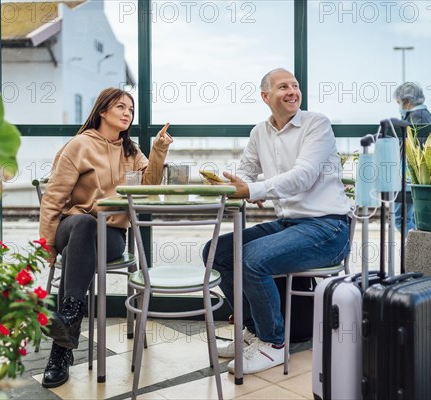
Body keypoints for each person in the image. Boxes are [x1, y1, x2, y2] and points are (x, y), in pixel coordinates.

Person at [202, 68, 351, 374]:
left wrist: (254, 189)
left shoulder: (316, 124)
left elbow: (304, 175)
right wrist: (232, 184)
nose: (292, 91)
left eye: (295, 86)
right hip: (290, 224)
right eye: (283, 86)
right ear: (265, 96)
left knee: (252, 258)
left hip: (328, 227)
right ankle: (253, 332)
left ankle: (273, 344)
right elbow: (245, 169)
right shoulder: (260, 132)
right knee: (217, 251)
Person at [38, 88, 173, 388]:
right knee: (84, 223)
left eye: (131, 110)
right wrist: (47, 246)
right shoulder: (78, 146)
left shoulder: (131, 151)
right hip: (72, 227)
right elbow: (53, 199)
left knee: (88, 233)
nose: (127, 113)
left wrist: (158, 151)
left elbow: (149, 187)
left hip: (111, 234)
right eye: (120, 107)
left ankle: (63, 339)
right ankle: (71, 321)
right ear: (102, 111)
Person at [393, 82, 431, 233]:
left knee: (400, 219)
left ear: (408, 101)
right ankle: (418, 248)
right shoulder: (425, 115)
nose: (399, 106)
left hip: (410, 176)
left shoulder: (417, 117)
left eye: (399, 102)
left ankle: (417, 248)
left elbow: (415, 145)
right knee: (415, 219)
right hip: (414, 175)